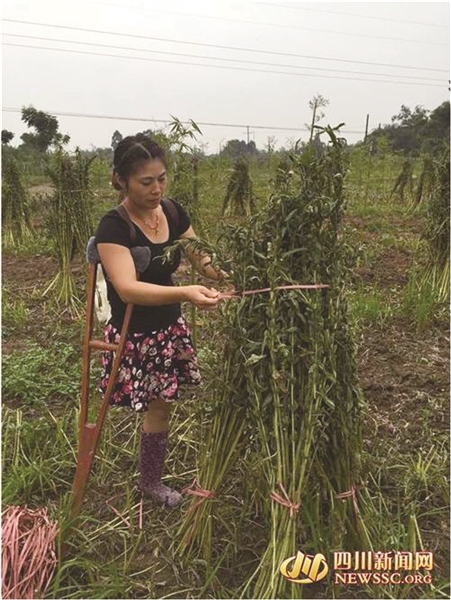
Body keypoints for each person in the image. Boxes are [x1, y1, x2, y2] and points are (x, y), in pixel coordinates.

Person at [95, 133, 226, 508]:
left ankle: (150, 477)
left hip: (169, 328)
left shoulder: (171, 211)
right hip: (137, 335)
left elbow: (203, 257)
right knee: (159, 405)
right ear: (121, 180)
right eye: (146, 182)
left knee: (163, 404)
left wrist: (226, 273)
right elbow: (128, 288)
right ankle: (150, 482)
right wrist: (186, 292)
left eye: (162, 179)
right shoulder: (114, 227)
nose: (156, 189)